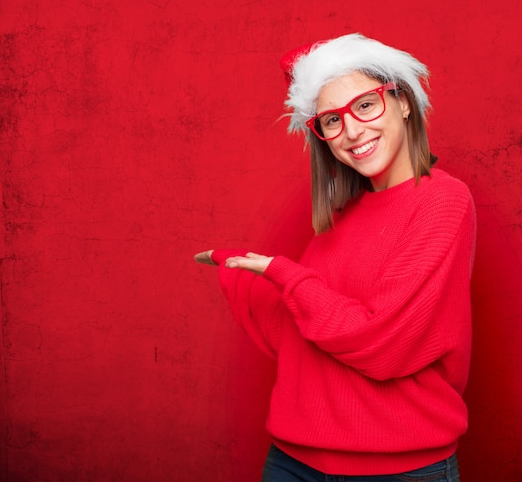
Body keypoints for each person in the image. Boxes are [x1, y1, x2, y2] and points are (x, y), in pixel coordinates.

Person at [195, 33, 476, 481]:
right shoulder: (341, 216)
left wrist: (280, 272)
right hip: (293, 460)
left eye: (365, 105)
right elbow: (308, 332)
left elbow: (382, 344)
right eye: (331, 120)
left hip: (398, 469)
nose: (352, 131)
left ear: (402, 101)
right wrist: (245, 270)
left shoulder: (442, 200)